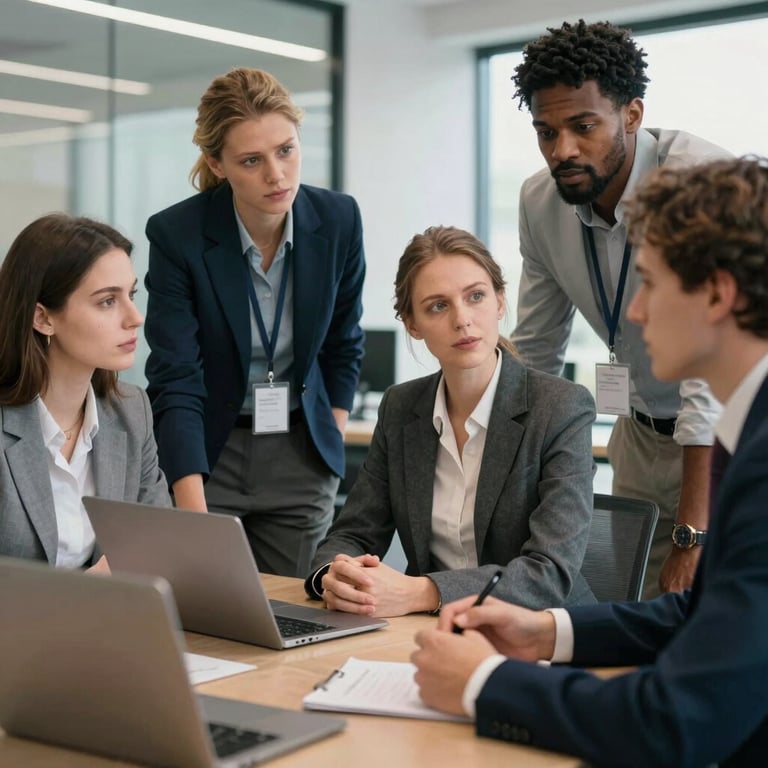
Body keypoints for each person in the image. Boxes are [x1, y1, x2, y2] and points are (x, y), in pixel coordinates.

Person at [412, 157, 768, 767]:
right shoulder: (747, 431)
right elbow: (705, 613)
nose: (634, 312)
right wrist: (547, 632)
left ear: (716, 294)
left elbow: (676, 719)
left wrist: (483, 684)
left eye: (651, 283)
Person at [508, 19, 731, 598]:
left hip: (731, 436)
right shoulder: (540, 200)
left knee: (710, 608)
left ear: (631, 114)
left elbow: (706, 374)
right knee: (626, 606)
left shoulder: (694, 182)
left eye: (584, 127)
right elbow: (537, 352)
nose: (564, 151)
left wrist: (691, 534)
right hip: (637, 433)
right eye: (546, 132)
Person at [304, 226, 596, 617]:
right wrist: (334, 575)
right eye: (438, 306)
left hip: (538, 633)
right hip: (429, 632)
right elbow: (355, 532)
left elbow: (548, 575)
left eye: (475, 296)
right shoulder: (401, 407)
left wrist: (421, 593)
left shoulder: (560, 407)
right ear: (412, 323)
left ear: (499, 301)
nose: (462, 320)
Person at [144, 67, 366, 577]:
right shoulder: (178, 235)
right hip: (209, 453)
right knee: (209, 609)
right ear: (216, 165)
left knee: (297, 617)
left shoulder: (338, 219)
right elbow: (175, 375)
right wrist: (191, 509)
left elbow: (344, 341)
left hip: (300, 451)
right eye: (251, 160)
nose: (277, 175)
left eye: (286, 150)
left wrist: (327, 434)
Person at [0, 214, 170, 569]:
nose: (135, 317)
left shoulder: (131, 411)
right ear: (43, 318)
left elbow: (159, 543)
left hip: (110, 619)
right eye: (107, 301)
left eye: (131, 295)